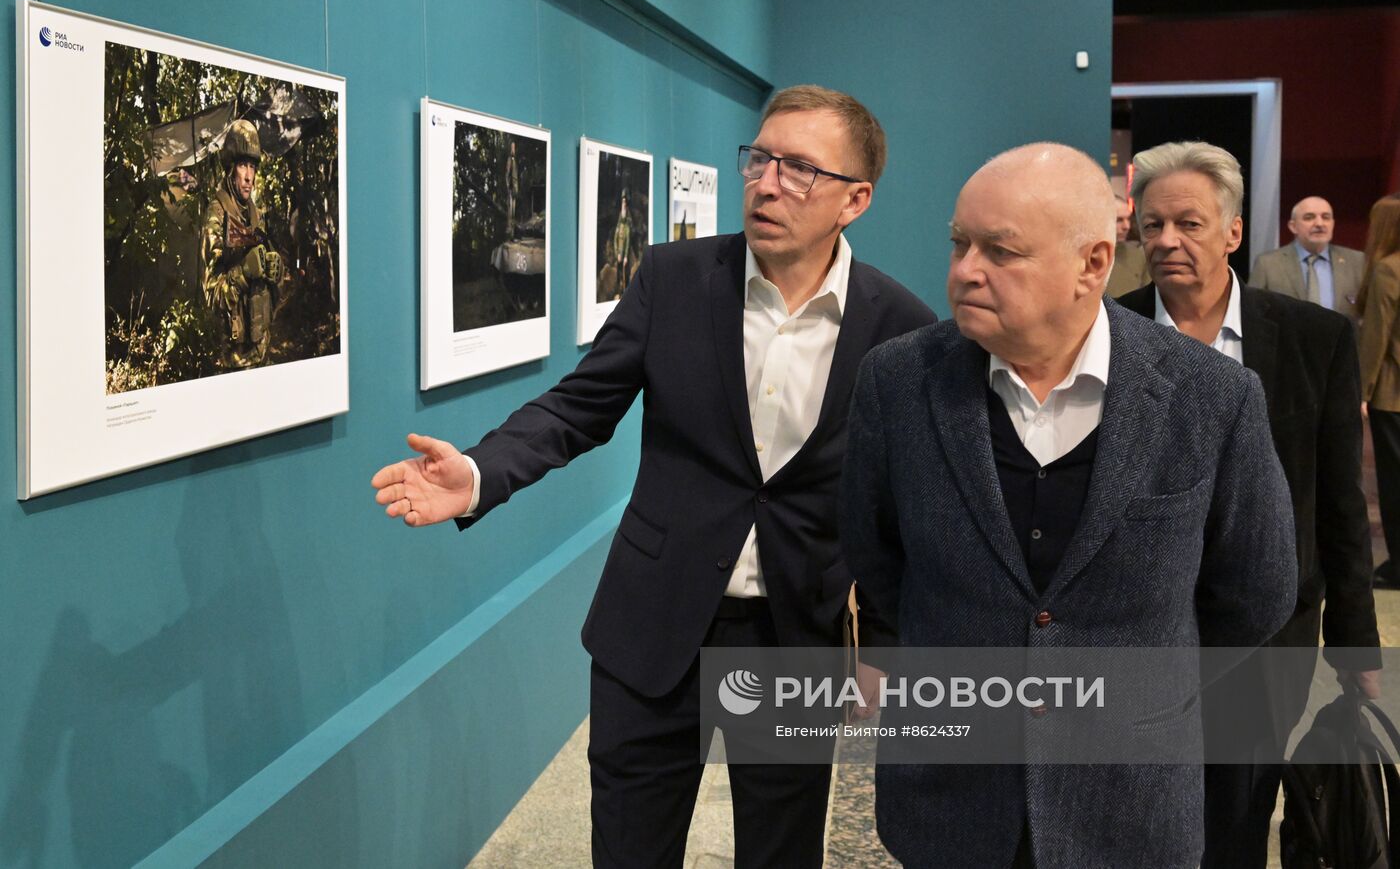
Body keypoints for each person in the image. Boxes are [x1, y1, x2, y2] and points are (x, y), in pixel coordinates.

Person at [371, 85, 936, 868]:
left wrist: (883, 643)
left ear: (855, 199)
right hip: (654, 619)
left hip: (791, 633)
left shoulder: (900, 328)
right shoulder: (675, 278)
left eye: (800, 169)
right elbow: (579, 405)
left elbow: (894, 506)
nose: (768, 183)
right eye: (762, 159)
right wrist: (477, 473)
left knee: (780, 851)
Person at [841, 142, 1296, 868]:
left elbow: (1256, 591)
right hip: (951, 797)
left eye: (1000, 250)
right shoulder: (898, 381)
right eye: (959, 243)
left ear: (1092, 263)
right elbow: (877, 556)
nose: (964, 271)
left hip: (1131, 802)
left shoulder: (1211, 396)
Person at [1115, 141, 1381, 868]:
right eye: (1153, 225)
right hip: (1138, 628)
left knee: (1238, 809)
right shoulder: (1107, 335)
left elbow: (1337, 502)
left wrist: (1356, 639)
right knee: (1139, 811)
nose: (1168, 240)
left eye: (1189, 224)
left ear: (1233, 233)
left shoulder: (1311, 339)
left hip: (1267, 632)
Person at [201, 118, 286, 366]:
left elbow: (273, 289)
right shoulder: (217, 215)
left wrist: (275, 272)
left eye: (253, 167)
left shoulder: (255, 214)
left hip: (262, 349)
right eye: (242, 166)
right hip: (234, 361)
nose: (249, 176)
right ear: (231, 169)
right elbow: (211, 299)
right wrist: (243, 273)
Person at [1358, 195, 1400, 587]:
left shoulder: (1389, 269)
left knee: (1393, 482)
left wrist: (1361, 389)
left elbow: (1376, 337)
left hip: (1392, 393)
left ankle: (1397, 563)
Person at [1252, 196, 1364, 322]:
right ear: (1293, 226)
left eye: (1326, 217)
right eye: (1309, 217)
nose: (1319, 224)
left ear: (1333, 224)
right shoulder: (1268, 264)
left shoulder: (1357, 261)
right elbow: (1253, 312)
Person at [1105, 193, 1149, 297]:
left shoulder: (1139, 257)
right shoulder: (1084, 258)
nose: (1127, 226)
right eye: (1119, 220)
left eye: (1128, 219)